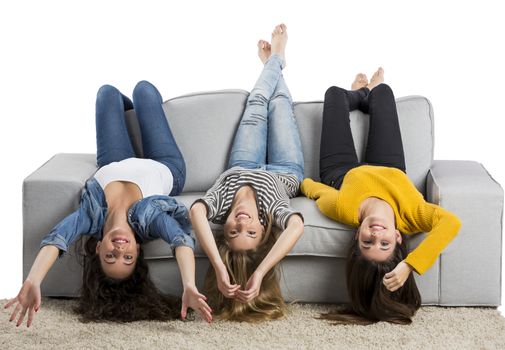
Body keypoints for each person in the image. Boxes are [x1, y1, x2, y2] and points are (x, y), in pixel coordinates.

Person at [4, 81, 212, 326]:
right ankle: (138, 120)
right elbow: (180, 240)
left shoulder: (90, 217)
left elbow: (56, 239)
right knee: (143, 90)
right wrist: (189, 284)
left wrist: (33, 280)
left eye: (111, 257)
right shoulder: (149, 221)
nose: (120, 250)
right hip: (165, 165)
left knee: (107, 93)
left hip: (114, 160)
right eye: (127, 258)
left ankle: (132, 122)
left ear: (98, 247)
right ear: (137, 249)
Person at [301, 69, 461, 324]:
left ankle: (359, 94)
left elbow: (315, 190)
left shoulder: (342, 208)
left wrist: (299, 184)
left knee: (333, 94)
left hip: (341, 173)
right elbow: (452, 223)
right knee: (384, 92)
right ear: (397, 237)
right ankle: (371, 93)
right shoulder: (413, 216)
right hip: (390, 167)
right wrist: (409, 266)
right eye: (384, 244)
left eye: (367, 243)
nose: (375, 235)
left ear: (357, 236)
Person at [190, 24, 305, 322]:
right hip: (284, 171)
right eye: (251, 232)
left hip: (242, 166)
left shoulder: (218, 205)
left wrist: (218, 266)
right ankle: (277, 59)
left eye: (233, 232)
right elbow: (296, 227)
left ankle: (274, 62)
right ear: (263, 229)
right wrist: (261, 271)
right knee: (279, 105)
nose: (242, 223)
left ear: (223, 228)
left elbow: (196, 213)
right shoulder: (272, 212)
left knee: (256, 102)